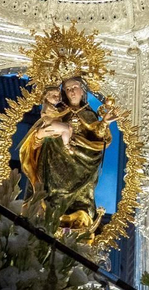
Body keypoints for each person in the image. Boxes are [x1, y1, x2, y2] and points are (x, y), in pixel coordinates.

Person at [18, 76, 110, 230]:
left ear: (82, 90)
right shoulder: (57, 111)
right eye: (67, 89)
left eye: (74, 87)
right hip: (54, 166)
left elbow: (98, 140)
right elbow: (38, 136)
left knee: (81, 204)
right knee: (52, 198)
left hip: (83, 166)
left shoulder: (90, 115)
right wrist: (41, 135)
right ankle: (48, 217)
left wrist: (105, 122)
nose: (72, 92)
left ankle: (79, 220)